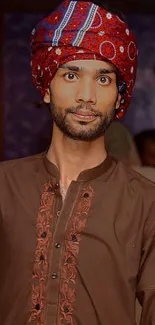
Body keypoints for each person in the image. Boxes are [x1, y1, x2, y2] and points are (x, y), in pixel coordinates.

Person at [1, 1, 155, 325]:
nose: (87, 95)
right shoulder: (4, 186)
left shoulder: (146, 203)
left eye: (103, 79)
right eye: (71, 74)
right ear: (47, 87)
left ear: (119, 95)